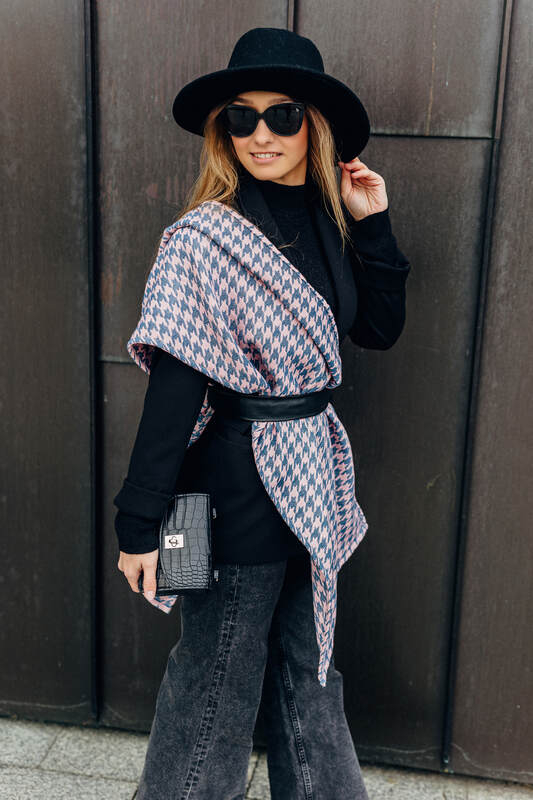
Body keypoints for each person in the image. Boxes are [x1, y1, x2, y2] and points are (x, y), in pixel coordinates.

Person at [114, 27, 411, 800]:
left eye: (282, 114)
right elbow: (175, 387)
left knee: (307, 664)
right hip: (216, 490)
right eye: (240, 117)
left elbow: (378, 329)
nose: (260, 134)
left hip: (308, 476)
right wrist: (138, 522)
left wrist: (371, 223)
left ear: (314, 125)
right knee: (213, 674)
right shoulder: (204, 238)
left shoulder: (327, 219)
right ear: (224, 131)